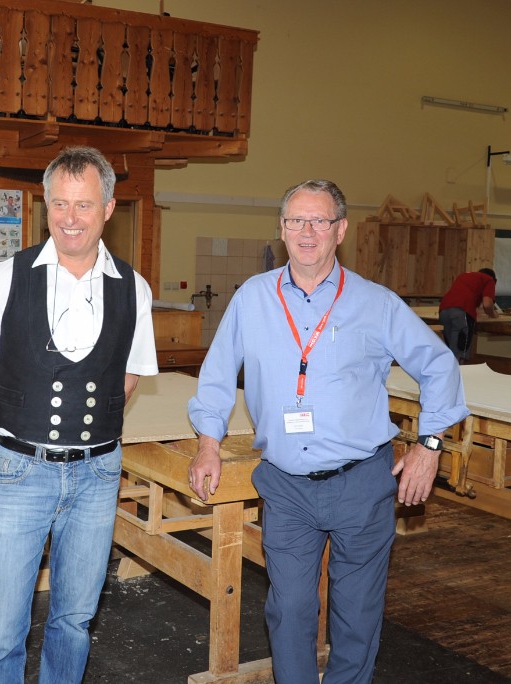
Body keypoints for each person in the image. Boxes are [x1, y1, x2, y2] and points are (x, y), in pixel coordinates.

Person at [187, 179, 469, 684]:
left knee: (357, 613)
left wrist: (429, 446)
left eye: (319, 221)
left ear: (340, 230)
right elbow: (217, 375)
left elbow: (439, 364)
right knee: (289, 608)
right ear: (281, 229)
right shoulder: (252, 298)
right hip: (286, 485)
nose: (307, 231)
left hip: (361, 482)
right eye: (297, 220)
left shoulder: (376, 303)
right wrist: (208, 444)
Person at [0, 146, 158, 683]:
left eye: (84, 205)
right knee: (2, 628)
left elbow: (129, 374)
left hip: (98, 473)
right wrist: (25, 417)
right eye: (60, 204)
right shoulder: (5, 276)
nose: (71, 218)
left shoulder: (134, 287)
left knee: (74, 619)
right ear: (44, 206)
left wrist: (82, 421)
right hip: (18, 469)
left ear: (109, 208)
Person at [439, 268, 497, 363]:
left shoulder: (464, 276)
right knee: (460, 352)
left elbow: (467, 298)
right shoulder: (489, 280)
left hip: (444, 311)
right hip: (461, 313)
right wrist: (493, 314)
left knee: (451, 351)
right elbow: (487, 304)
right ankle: (459, 371)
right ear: (495, 280)